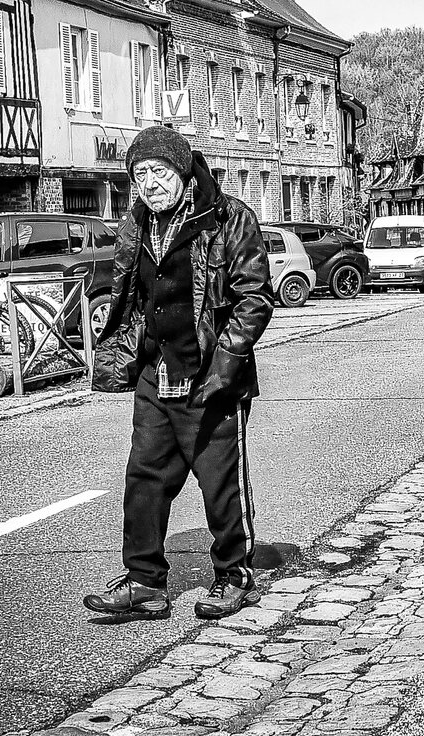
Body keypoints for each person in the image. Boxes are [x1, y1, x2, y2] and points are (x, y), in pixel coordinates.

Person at [85, 125, 274, 620]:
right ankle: (144, 582)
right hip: (157, 370)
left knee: (220, 483)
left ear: (183, 170)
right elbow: (131, 297)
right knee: (144, 477)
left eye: (159, 171)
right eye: (140, 174)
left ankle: (234, 575)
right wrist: (123, 353)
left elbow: (254, 299)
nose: (150, 183)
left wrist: (225, 365)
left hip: (211, 373)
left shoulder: (229, 218)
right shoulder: (137, 223)